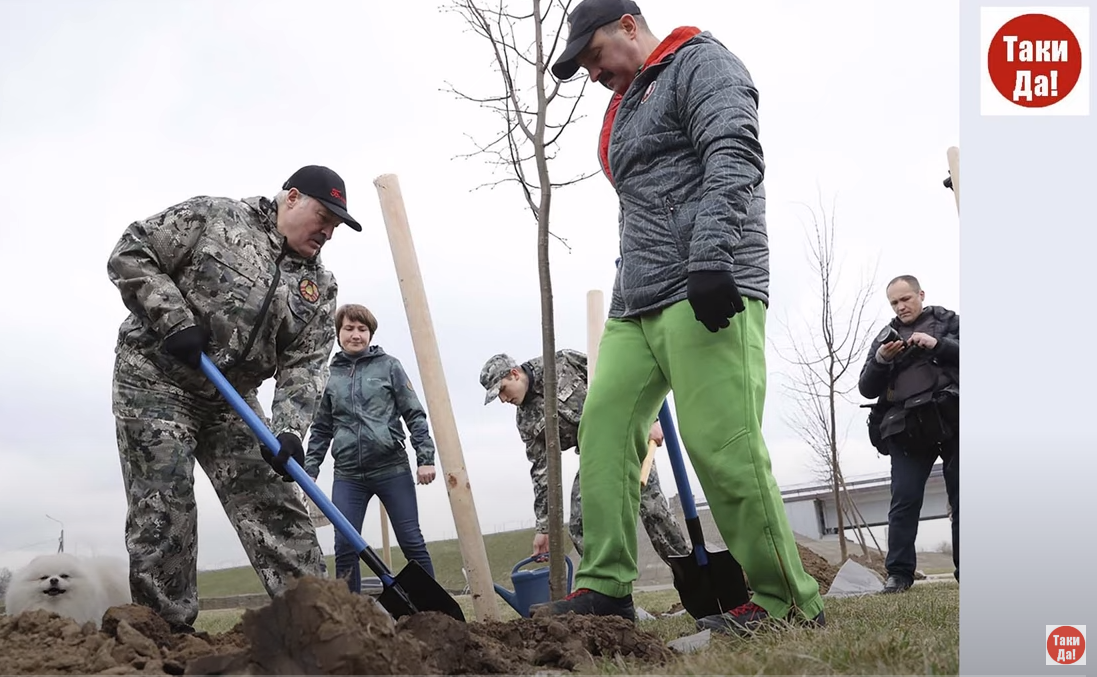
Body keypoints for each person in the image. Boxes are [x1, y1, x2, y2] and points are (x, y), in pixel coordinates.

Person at [534, 0, 826, 635]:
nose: (591, 73)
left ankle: (788, 600)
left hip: (707, 281)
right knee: (604, 429)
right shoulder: (628, 101)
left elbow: (734, 151)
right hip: (636, 298)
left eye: (594, 56)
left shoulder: (703, 63)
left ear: (630, 26)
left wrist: (713, 253)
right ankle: (606, 589)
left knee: (721, 444)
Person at [106, 165, 361, 633]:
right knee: (165, 507)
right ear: (291, 198)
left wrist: (288, 428)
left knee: (276, 501)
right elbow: (131, 251)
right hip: (156, 380)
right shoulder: (216, 218)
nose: (328, 231)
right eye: (323, 216)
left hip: (232, 400)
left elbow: (305, 363)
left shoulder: (319, 288)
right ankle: (166, 635)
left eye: (336, 224)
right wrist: (173, 317)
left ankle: (319, 625)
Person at [478, 350, 691, 567]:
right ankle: (611, 592)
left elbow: (616, 378)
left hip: (624, 436)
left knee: (654, 512)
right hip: (593, 457)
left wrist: (648, 419)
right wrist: (544, 528)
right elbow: (542, 474)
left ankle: (693, 579)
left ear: (514, 374)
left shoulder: (563, 362)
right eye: (498, 397)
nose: (504, 400)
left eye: (502, 390)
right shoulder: (526, 421)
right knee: (580, 525)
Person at [304, 303, 439, 593]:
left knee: (411, 541)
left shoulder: (389, 366)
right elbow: (321, 428)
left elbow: (414, 413)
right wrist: (309, 470)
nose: (355, 335)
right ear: (338, 333)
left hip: (392, 469)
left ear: (370, 334)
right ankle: (350, 616)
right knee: (345, 546)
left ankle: (433, 609)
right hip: (349, 475)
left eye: (362, 329)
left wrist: (425, 458)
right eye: (349, 328)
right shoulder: (329, 376)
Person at [858, 275, 959, 592]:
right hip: (907, 429)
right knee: (903, 502)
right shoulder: (884, 337)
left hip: (953, 419)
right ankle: (899, 574)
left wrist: (939, 345)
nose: (901, 306)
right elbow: (865, 388)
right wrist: (880, 360)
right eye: (894, 302)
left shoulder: (948, 322)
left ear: (920, 295)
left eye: (906, 299)